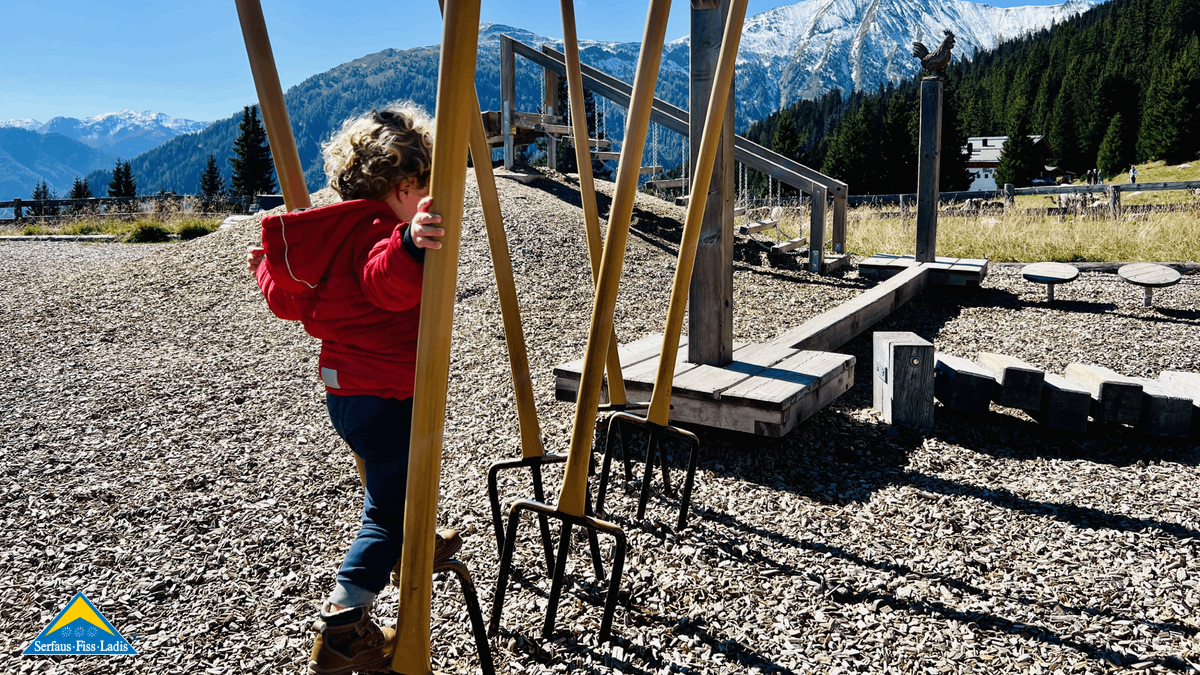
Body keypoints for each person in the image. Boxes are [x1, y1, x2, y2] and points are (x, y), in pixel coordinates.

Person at [247, 103, 460, 675]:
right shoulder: (376, 232)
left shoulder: (323, 236)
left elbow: (285, 297)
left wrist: (265, 267)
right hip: (389, 393)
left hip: (347, 393)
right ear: (407, 185)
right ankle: (343, 627)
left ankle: (414, 535)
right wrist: (411, 245)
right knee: (386, 510)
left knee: (391, 484)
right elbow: (382, 282)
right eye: (426, 189)